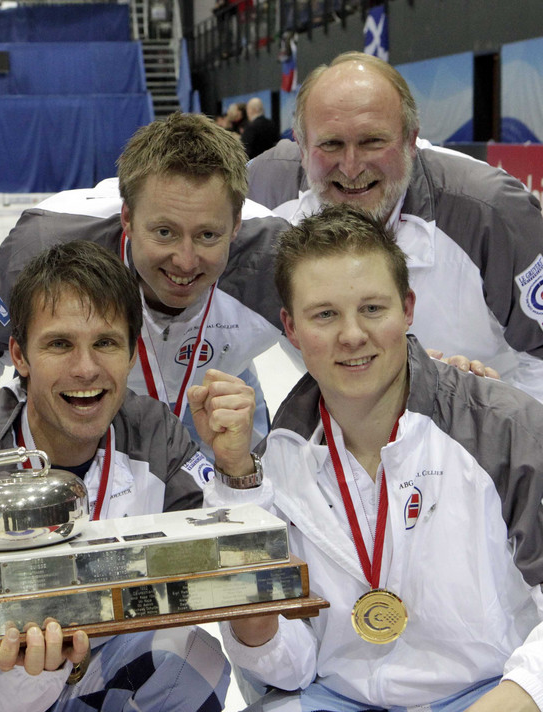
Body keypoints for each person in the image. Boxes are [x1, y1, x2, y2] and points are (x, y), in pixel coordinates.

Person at [214, 204, 543, 712]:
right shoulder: (278, 459)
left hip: (491, 691)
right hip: (337, 698)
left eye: (373, 309)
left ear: (407, 308)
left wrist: (517, 696)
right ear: (291, 328)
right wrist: (255, 624)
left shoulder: (505, 429)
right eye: (325, 314)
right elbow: (291, 666)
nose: (352, 335)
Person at [0, 240, 245, 712]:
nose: (85, 369)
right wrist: (29, 673)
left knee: (189, 660)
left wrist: (235, 469)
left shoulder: (155, 435)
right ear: (18, 355)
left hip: (92, 668)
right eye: (60, 344)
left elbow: (223, 571)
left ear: (132, 352)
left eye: (105, 342)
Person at [0, 111, 288, 453]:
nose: (185, 261)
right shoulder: (44, 245)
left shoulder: (279, 257)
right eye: (164, 232)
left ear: (236, 224)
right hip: (89, 411)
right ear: (126, 217)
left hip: (218, 404)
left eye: (208, 235)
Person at [246, 50, 543, 402]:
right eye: (331, 144)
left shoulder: (493, 214)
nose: (352, 167)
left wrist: (475, 420)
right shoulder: (261, 192)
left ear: (411, 140)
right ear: (301, 144)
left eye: (372, 141)